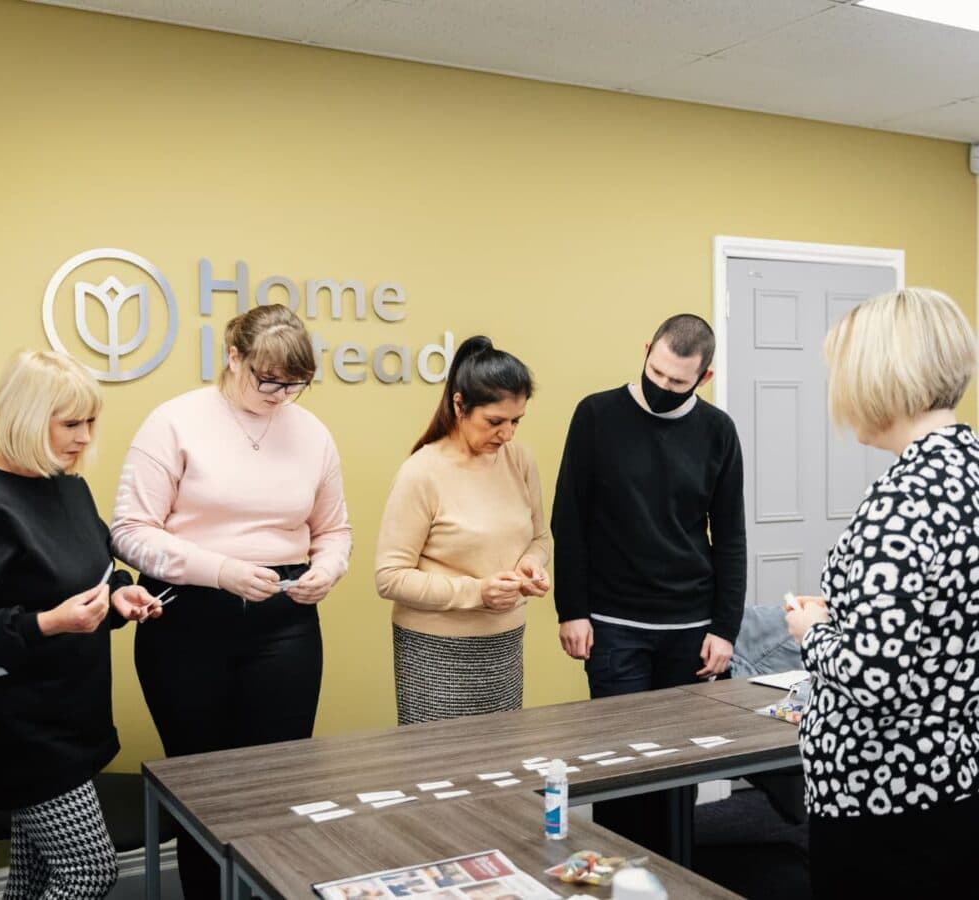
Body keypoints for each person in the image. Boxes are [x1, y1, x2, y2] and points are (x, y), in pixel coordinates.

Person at [110, 304, 352, 900]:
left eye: (293, 383)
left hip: (285, 623)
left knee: (278, 785)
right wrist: (220, 571)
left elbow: (335, 530)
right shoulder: (174, 423)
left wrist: (326, 568)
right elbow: (130, 531)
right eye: (266, 379)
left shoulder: (312, 431)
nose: (278, 394)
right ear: (232, 356)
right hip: (188, 620)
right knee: (203, 788)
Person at [785, 287, 979, 898]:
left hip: (882, 791)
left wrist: (812, 631)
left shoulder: (900, 503)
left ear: (880, 379)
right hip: (956, 774)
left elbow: (874, 678)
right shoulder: (967, 468)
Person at [551, 313, 746, 852]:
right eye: (655, 371)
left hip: (691, 626)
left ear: (703, 378)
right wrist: (572, 610)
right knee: (620, 764)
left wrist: (725, 629)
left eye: (677, 382)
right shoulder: (596, 415)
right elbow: (569, 517)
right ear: (646, 351)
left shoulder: (718, 432)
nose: (662, 386)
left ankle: (674, 871)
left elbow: (730, 535)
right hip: (614, 627)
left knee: (677, 766)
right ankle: (620, 872)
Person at [0, 350, 160, 899]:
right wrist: (47, 624)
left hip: (74, 710)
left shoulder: (69, 488)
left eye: (90, 422)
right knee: (87, 872)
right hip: (22, 727)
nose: (85, 437)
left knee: (33, 880)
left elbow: (90, 572)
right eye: (71, 423)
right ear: (29, 417)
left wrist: (119, 594)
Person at [375, 335, 551, 725]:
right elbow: (389, 578)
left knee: (501, 767)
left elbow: (539, 539)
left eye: (516, 421)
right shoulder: (421, 472)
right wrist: (477, 592)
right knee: (439, 772)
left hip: (504, 645)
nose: (507, 434)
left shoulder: (519, 460)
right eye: (495, 421)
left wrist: (529, 567)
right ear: (459, 405)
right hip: (436, 652)